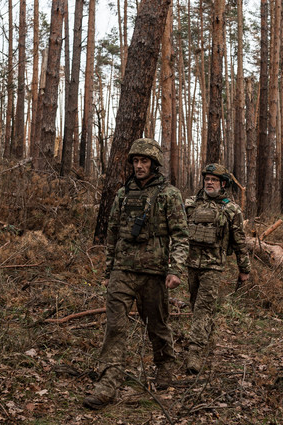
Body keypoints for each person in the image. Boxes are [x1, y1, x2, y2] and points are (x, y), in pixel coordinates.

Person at [83, 138, 189, 410]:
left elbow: (180, 235)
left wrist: (175, 269)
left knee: (157, 323)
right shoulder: (123, 194)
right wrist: (108, 270)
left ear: (154, 163)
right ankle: (109, 380)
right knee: (115, 327)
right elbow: (112, 232)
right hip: (123, 271)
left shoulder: (169, 194)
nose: (139, 166)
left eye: (144, 161)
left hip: (154, 273)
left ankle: (165, 365)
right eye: (136, 161)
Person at [183, 163, 250, 374]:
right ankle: (207, 340)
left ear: (223, 184)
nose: (209, 182)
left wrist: (244, 269)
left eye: (214, 180)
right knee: (196, 305)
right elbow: (178, 234)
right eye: (207, 179)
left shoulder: (231, 209)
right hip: (191, 265)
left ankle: (194, 353)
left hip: (213, 267)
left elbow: (240, 242)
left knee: (203, 307)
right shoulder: (190, 204)